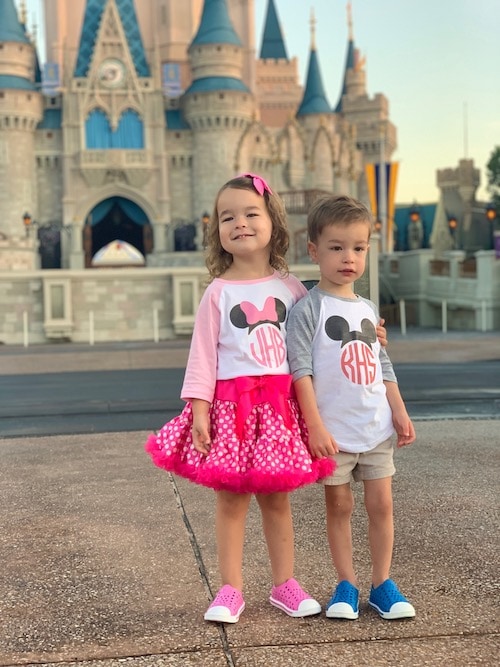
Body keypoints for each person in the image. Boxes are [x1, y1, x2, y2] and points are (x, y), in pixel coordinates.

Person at [145, 173, 336, 624]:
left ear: (273, 222)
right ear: (218, 232)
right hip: (232, 409)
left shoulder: (291, 288)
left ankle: (284, 584)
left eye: (251, 213)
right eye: (228, 217)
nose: (240, 223)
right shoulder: (218, 293)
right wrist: (199, 411)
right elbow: (202, 358)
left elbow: (317, 344)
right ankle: (230, 589)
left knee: (276, 498)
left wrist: (372, 336)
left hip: (279, 411)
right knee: (231, 499)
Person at [287, 194, 416, 621]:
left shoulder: (367, 309)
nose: (349, 257)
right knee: (339, 507)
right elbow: (300, 371)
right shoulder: (308, 309)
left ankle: (382, 583)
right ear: (314, 251)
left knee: (382, 505)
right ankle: (346, 583)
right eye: (337, 247)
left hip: (375, 427)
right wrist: (315, 426)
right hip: (335, 433)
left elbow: (382, 365)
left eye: (358, 248)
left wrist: (398, 410)